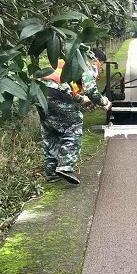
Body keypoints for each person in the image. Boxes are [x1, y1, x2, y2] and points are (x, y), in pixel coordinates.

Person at [38, 47, 112, 184]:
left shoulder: (65, 61)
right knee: (74, 125)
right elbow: (91, 90)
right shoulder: (86, 63)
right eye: (101, 64)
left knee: (50, 130)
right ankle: (65, 167)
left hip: (39, 93)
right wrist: (104, 102)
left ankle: (51, 173)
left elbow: (66, 88)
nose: (99, 67)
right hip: (57, 94)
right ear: (96, 59)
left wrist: (82, 100)